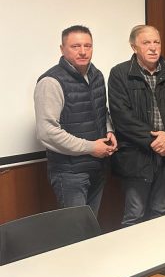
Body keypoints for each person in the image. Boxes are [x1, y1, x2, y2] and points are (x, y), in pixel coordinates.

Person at [108, 25, 165, 227]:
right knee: (135, 213)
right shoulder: (120, 73)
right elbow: (121, 116)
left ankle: (160, 248)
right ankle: (134, 249)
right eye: (146, 43)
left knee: (161, 210)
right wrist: (156, 142)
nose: (153, 48)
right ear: (134, 47)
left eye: (156, 42)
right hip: (137, 156)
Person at [34, 25, 117, 216]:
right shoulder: (51, 82)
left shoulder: (96, 75)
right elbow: (47, 132)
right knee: (75, 229)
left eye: (88, 46)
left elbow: (101, 110)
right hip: (70, 173)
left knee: (89, 227)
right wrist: (91, 147)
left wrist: (109, 130)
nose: (83, 51)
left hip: (97, 167)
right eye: (75, 46)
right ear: (62, 49)